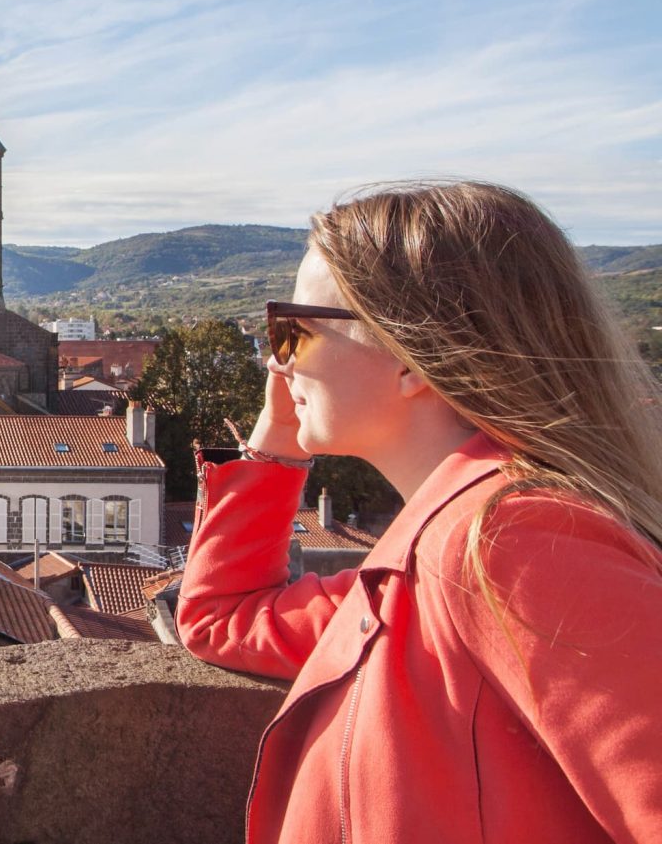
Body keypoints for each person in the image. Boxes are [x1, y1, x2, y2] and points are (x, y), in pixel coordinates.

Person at [176, 181, 662, 844]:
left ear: (410, 358)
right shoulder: (430, 560)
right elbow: (220, 616)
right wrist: (278, 420)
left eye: (295, 330)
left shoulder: (513, 541)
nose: (273, 356)